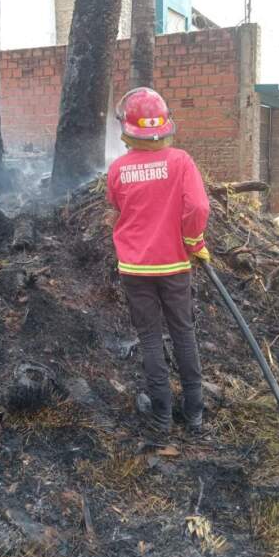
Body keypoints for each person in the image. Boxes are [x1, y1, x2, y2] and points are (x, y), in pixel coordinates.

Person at [106, 87, 210, 439]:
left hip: (135, 269)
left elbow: (119, 208)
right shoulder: (181, 161)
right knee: (183, 332)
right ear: (164, 126)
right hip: (175, 266)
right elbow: (197, 208)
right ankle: (194, 413)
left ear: (128, 129)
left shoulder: (118, 169)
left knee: (150, 338)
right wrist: (195, 242)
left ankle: (162, 418)